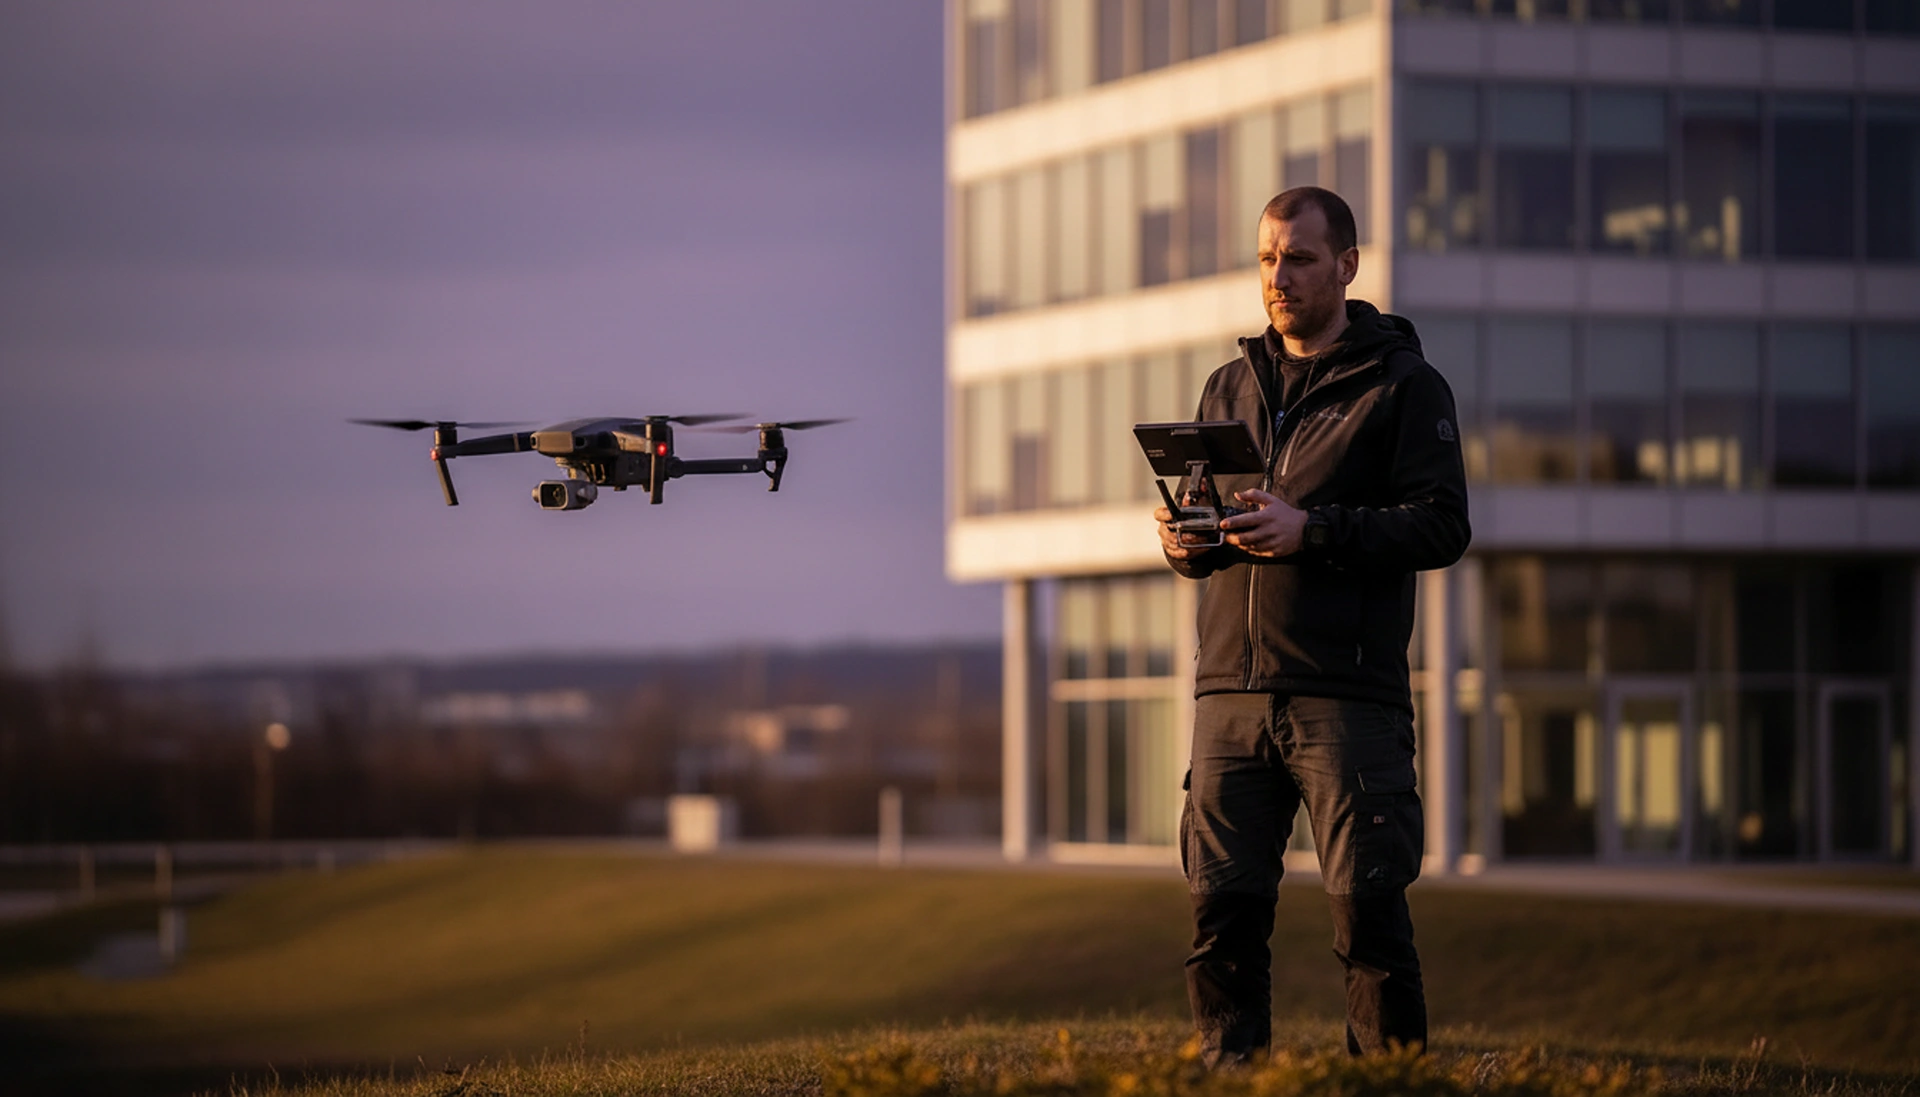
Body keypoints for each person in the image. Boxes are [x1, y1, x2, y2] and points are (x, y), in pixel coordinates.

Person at [1155, 186, 1470, 1066]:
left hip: (1345, 698)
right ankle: (1231, 1077)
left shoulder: (1403, 384)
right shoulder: (1228, 384)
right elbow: (1208, 517)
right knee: (1220, 917)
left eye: (1298, 257)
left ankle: (1390, 1085)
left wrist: (1314, 529)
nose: (1279, 276)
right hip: (1229, 696)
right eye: (1267, 258)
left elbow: (1443, 524)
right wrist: (1189, 542)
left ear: (1347, 265)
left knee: (1368, 915)